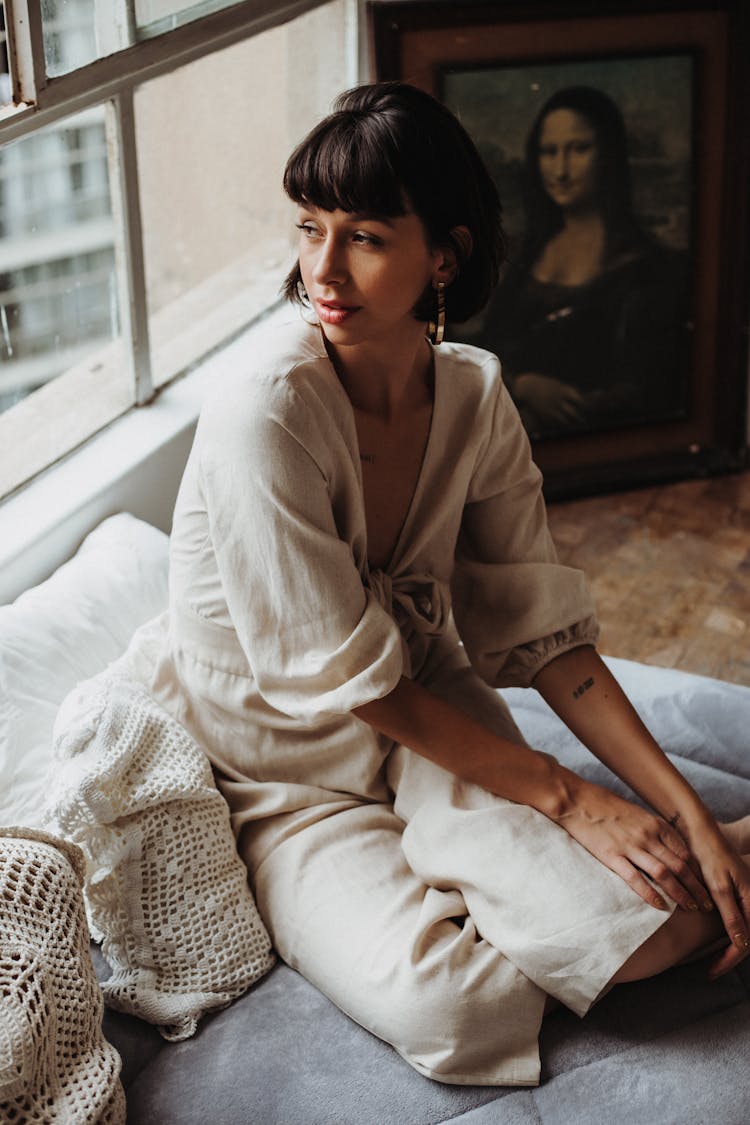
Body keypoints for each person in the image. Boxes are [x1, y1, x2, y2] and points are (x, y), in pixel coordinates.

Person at [127, 82, 749, 1087]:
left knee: (656, 912)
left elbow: (543, 637)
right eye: (309, 228)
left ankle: (708, 854)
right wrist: (568, 804)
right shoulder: (264, 415)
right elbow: (361, 691)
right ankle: (540, 896)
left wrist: (679, 811)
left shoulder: (473, 394)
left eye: (366, 235)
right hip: (287, 783)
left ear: (443, 256)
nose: (321, 268)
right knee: (458, 1012)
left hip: (432, 716)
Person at [465, 85, 690, 438]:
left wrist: (560, 407)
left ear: (609, 155)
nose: (561, 169)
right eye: (548, 152)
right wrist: (521, 385)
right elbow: (490, 343)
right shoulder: (527, 252)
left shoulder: (646, 266)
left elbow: (648, 387)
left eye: (579, 149)